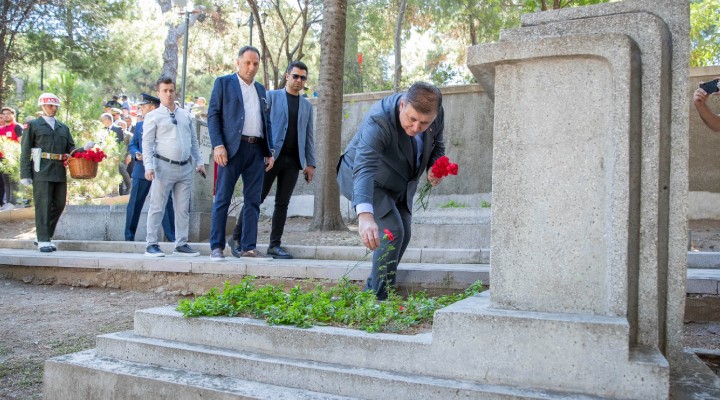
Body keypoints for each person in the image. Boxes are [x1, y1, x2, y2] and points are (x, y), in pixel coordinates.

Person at [336, 82, 446, 300]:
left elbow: (437, 144)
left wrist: (435, 165)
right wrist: (365, 216)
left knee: (403, 234)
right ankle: (378, 299)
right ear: (403, 104)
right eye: (412, 119)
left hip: (398, 182)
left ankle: (374, 290)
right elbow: (365, 167)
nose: (416, 128)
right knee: (392, 230)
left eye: (424, 123)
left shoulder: (436, 113)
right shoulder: (379, 120)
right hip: (363, 177)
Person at [231, 61, 315, 259]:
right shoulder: (271, 97)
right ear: (287, 76)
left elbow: (309, 136)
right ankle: (236, 238)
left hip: (294, 161)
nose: (299, 80)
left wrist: (310, 164)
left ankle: (274, 245)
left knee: (282, 203)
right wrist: (261, 152)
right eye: (295, 76)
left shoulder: (307, 106)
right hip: (271, 158)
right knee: (256, 198)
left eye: (303, 77)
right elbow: (260, 125)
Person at [207, 45, 274, 261]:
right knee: (223, 197)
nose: (251, 67)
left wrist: (269, 150)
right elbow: (213, 115)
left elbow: (267, 121)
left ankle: (248, 247)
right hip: (231, 149)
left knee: (253, 200)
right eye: (247, 62)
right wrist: (218, 145)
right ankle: (216, 246)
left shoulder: (261, 90)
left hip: (256, 150)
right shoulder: (224, 83)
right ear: (238, 62)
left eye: (255, 63)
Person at [142, 77, 205, 257]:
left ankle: (181, 243)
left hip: (185, 167)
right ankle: (151, 243)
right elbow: (147, 144)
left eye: (171, 90)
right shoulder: (153, 116)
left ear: (175, 91)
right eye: (165, 91)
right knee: (157, 205)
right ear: (159, 93)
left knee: (182, 207)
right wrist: (149, 166)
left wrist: (199, 161)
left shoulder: (185, 115)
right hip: (163, 166)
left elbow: (193, 140)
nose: (168, 94)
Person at [20, 93, 90, 252]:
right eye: (50, 106)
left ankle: (43, 235)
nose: (53, 109)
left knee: (59, 203)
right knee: (43, 204)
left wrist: (83, 149)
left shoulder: (63, 127)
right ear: (42, 106)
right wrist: (25, 173)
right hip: (41, 168)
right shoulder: (33, 125)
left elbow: (70, 149)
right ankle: (44, 239)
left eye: (55, 106)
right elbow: (25, 150)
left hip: (58, 169)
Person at [124, 93, 176, 242]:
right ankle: (129, 237)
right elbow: (133, 144)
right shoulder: (139, 125)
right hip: (141, 169)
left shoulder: (165, 122)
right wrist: (136, 153)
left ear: (152, 107)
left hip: (161, 168)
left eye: (144, 106)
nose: (141, 108)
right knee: (135, 204)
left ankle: (171, 236)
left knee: (166, 203)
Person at [101, 113, 131, 195]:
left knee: (118, 173)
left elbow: (120, 143)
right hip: (106, 157)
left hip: (115, 156)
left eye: (103, 120)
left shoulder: (118, 129)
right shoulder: (103, 129)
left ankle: (120, 193)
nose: (102, 122)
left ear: (107, 120)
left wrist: (118, 155)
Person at [0, 106, 23, 209]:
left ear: (13, 115)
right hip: (2, 159)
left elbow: (22, 143)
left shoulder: (17, 127)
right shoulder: (1, 129)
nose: (6, 115)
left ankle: (13, 202)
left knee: (13, 181)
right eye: (4, 114)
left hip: (14, 158)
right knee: (6, 181)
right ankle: (8, 202)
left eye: (8, 113)